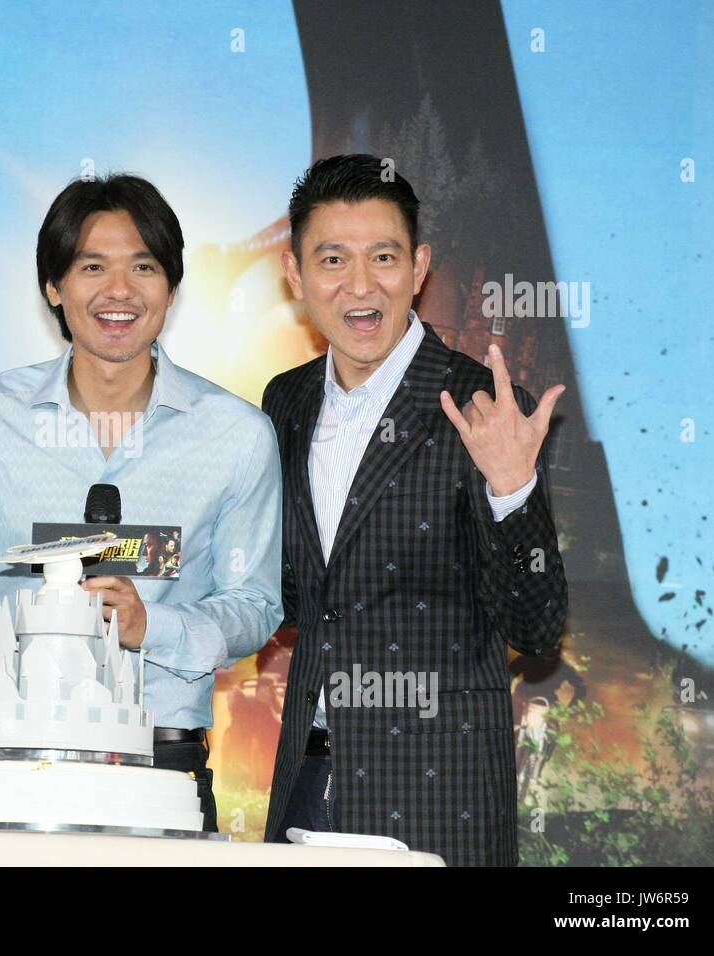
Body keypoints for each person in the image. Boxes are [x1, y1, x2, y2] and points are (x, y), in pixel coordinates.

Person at [0, 174, 283, 832]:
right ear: (54, 287)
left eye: (143, 266)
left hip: (162, 760)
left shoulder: (236, 434)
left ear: (170, 286)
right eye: (92, 267)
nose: (119, 291)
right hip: (4, 753)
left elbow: (255, 605)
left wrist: (149, 628)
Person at [261, 154, 568, 865]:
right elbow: (289, 593)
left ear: (420, 266)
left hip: (438, 798)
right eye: (332, 258)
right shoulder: (287, 402)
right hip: (308, 776)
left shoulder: (484, 406)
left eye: (385, 257)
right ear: (295, 273)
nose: (360, 285)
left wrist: (513, 493)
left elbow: (539, 626)